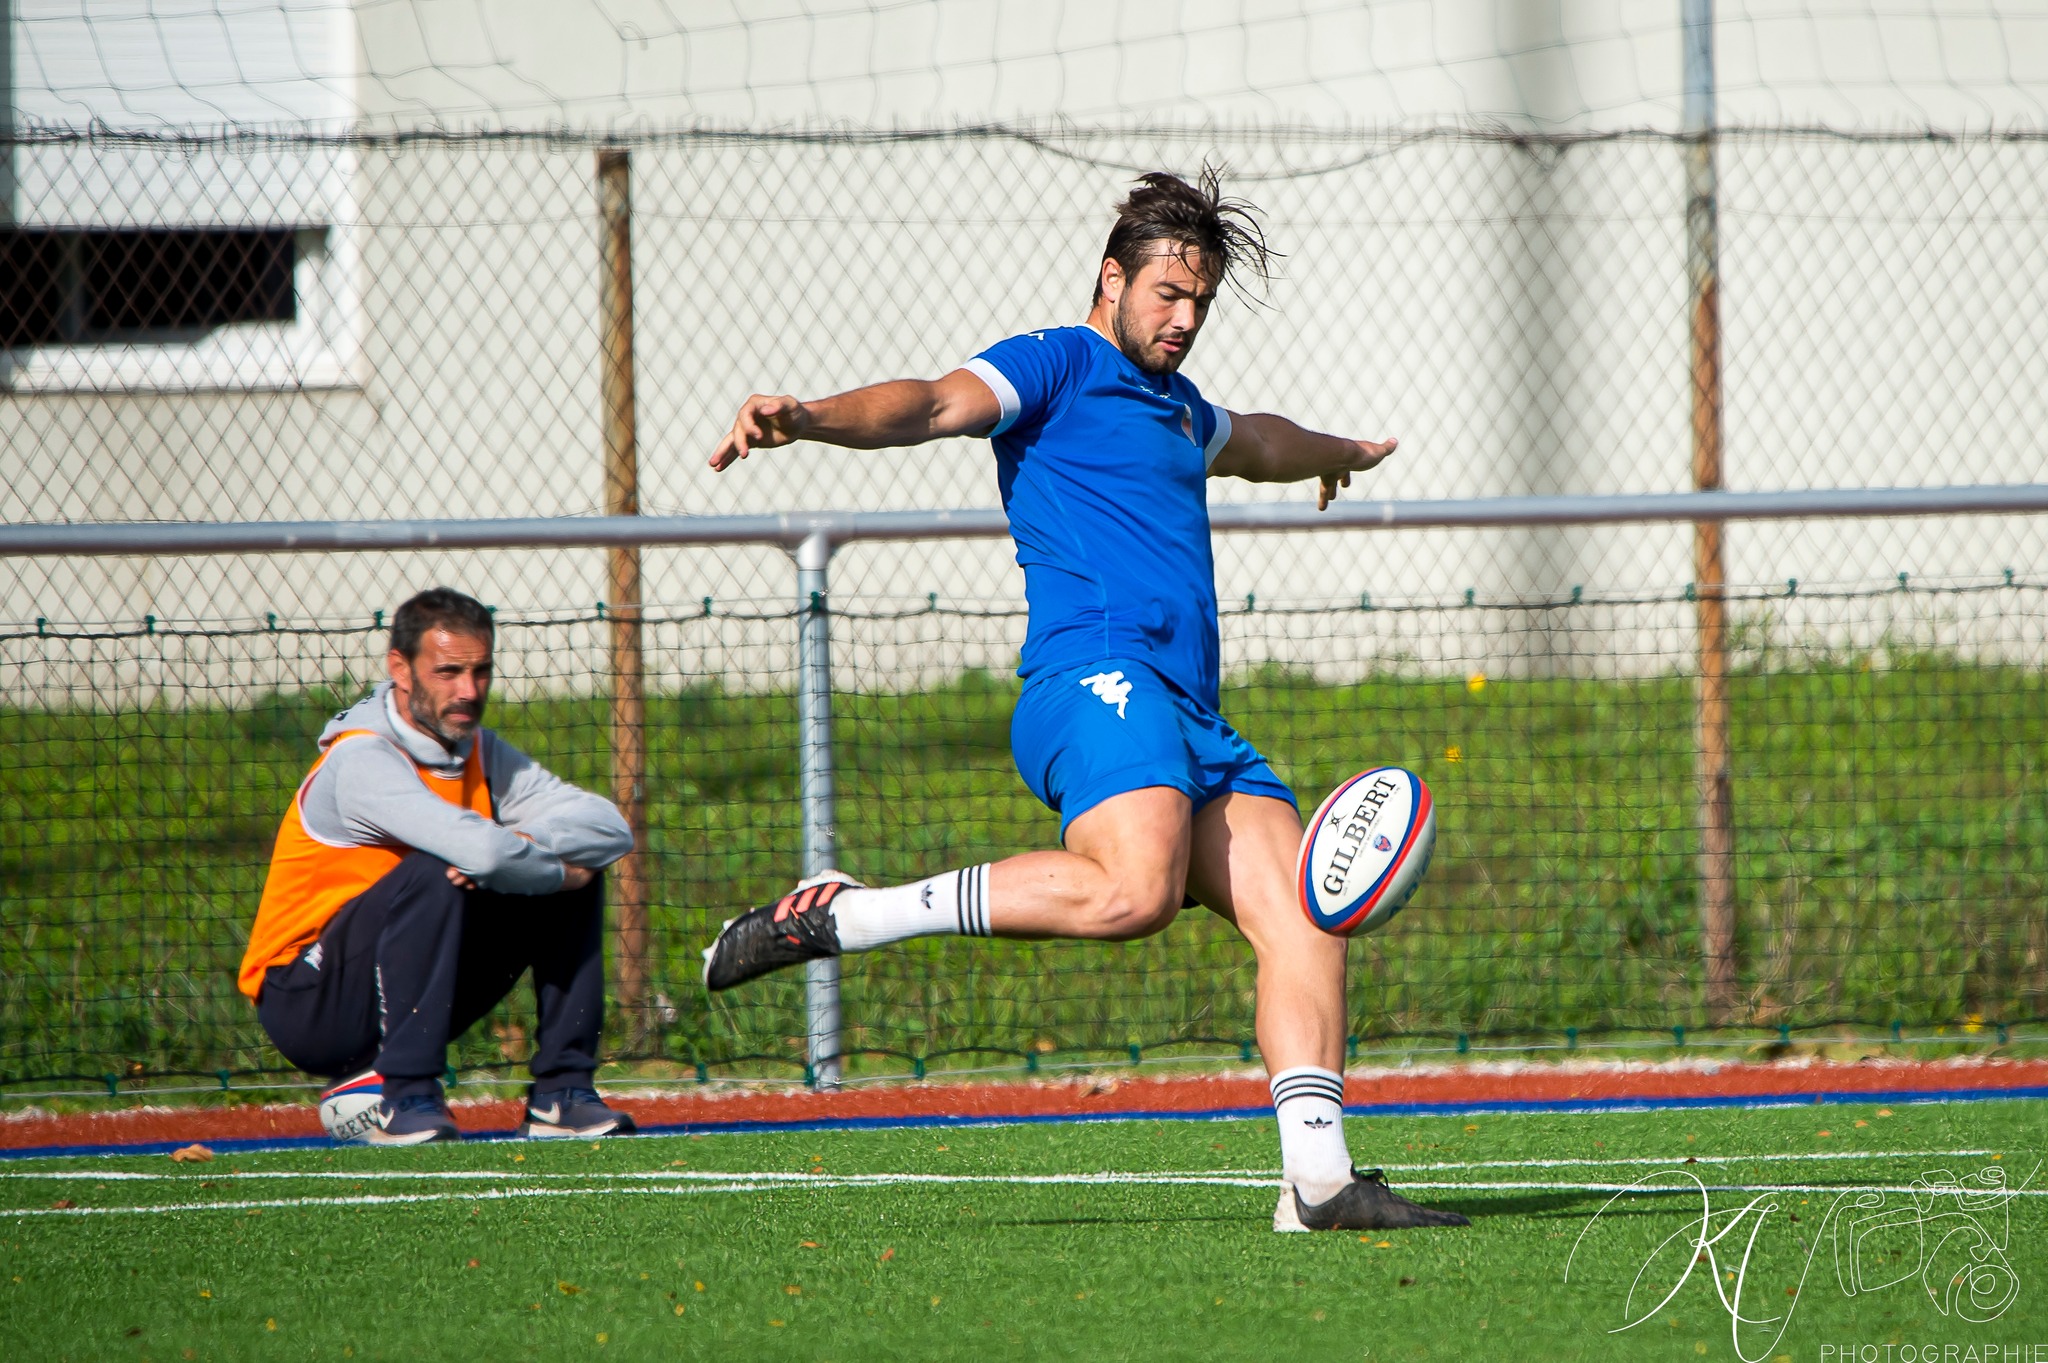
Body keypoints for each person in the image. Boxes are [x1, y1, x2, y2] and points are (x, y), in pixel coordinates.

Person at [701, 169, 1468, 1231]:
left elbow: (1258, 441)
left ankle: (1320, 1183)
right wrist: (808, 418)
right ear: (1111, 278)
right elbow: (927, 404)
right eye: (1165, 293)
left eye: (1197, 302)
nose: (1183, 318)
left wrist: (1341, 454)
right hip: (1092, 678)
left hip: (1191, 718)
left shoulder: (1180, 411)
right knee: (1132, 891)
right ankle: (850, 913)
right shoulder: (1056, 363)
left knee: (1303, 913)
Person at [241, 588, 638, 1144]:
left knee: (574, 865)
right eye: (448, 671)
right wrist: (551, 870)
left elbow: (609, 827)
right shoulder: (362, 758)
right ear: (400, 669)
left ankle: (561, 1094)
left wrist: (540, 849)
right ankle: (404, 1097)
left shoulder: (480, 749)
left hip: (407, 980)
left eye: (481, 671)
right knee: (444, 867)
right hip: (310, 1001)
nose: (468, 691)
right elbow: (479, 853)